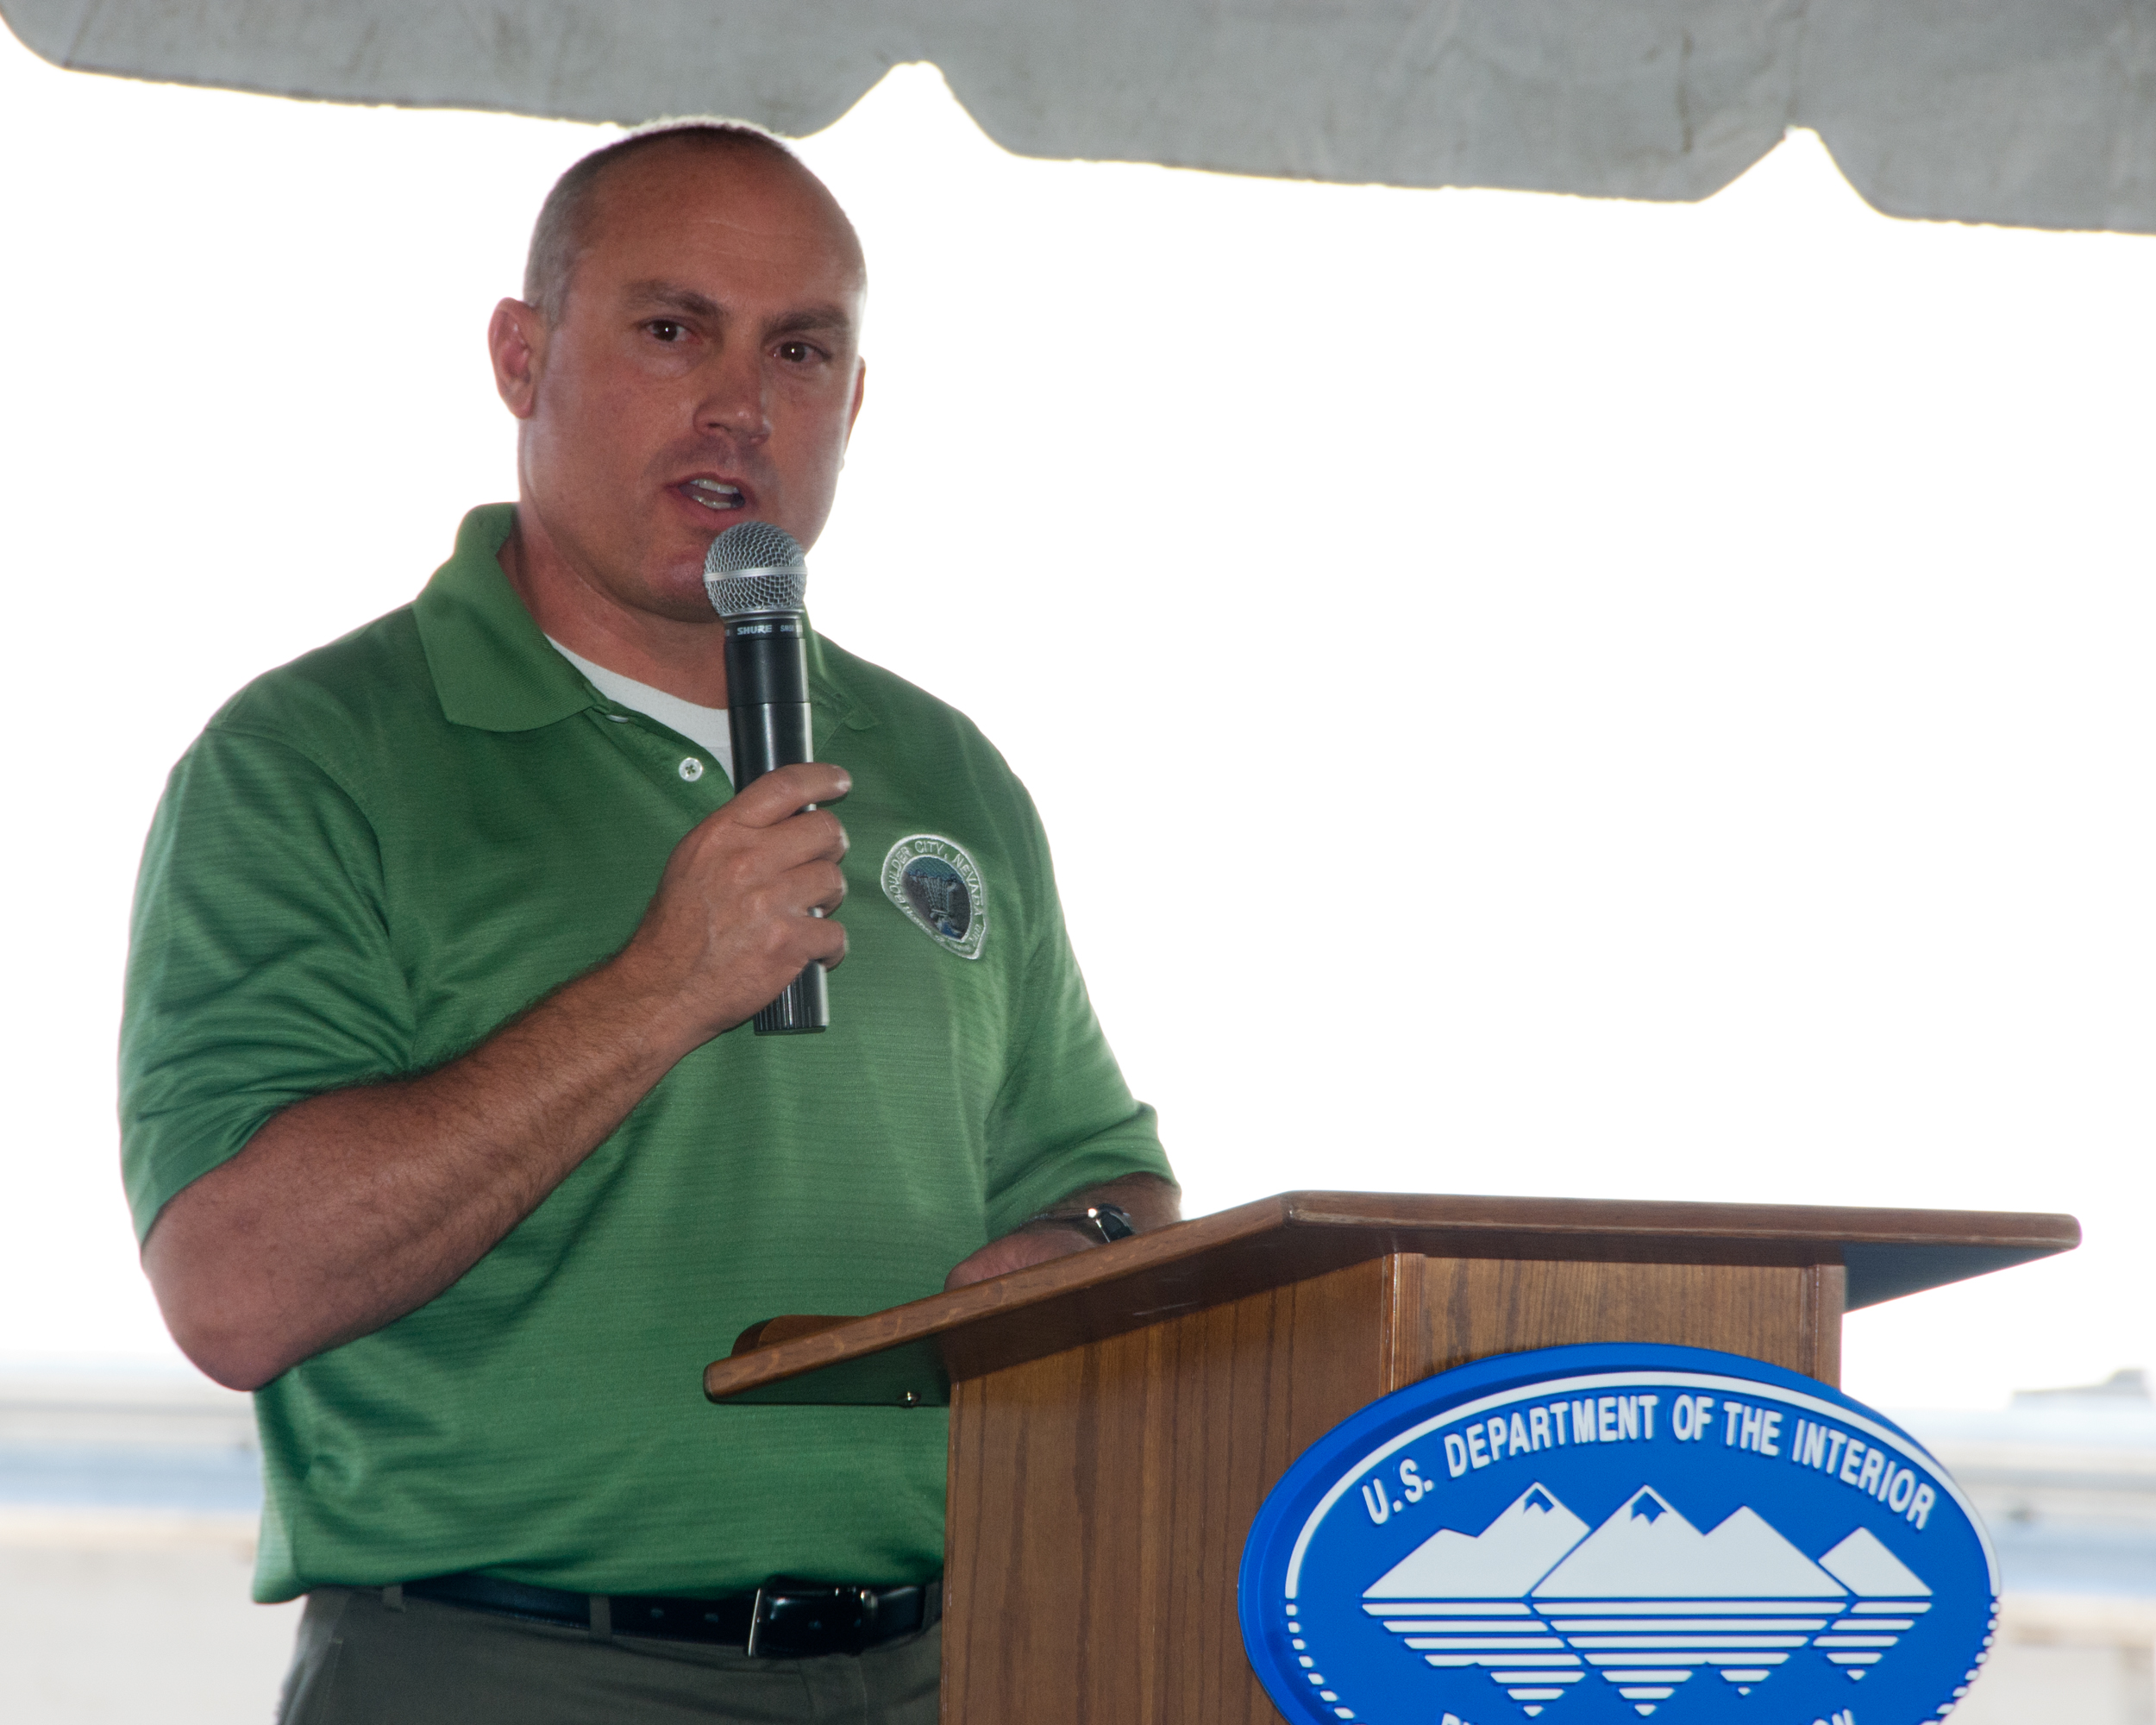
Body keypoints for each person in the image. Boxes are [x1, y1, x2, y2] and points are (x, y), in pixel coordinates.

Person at [118, 122, 1178, 1725]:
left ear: (856, 403)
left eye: (799, 351)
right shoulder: (314, 758)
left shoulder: (946, 767)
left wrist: (1078, 1253)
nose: (741, 405)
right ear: (520, 355)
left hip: (942, 1663)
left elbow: (1111, 1184)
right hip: (509, 1667)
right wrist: (663, 988)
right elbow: (236, 1291)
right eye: (675, 330)